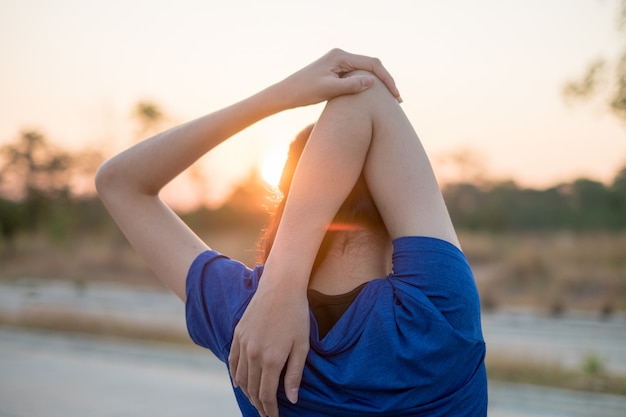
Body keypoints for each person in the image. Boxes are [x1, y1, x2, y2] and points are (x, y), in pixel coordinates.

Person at [96, 49, 487, 417]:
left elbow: (118, 182)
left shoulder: (247, 320)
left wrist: (280, 96)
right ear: (394, 206)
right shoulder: (437, 312)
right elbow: (364, 93)